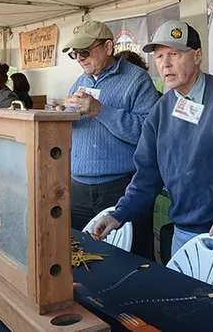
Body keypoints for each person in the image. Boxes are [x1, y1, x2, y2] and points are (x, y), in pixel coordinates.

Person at [92, 20, 213, 305]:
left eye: (175, 54)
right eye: (160, 56)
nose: (165, 64)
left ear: (197, 56)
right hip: (185, 234)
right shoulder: (161, 111)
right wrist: (120, 213)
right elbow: (147, 175)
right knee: (192, 312)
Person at [62, 20, 159, 260]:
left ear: (107, 47)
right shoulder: (81, 81)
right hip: (78, 189)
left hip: (120, 188)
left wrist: (100, 111)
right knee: (79, 256)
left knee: (130, 260)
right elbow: (70, 125)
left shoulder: (137, 80)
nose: (79, 58)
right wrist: (62, 115)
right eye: (75, 53)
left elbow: (147, 134)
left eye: (85, 51)